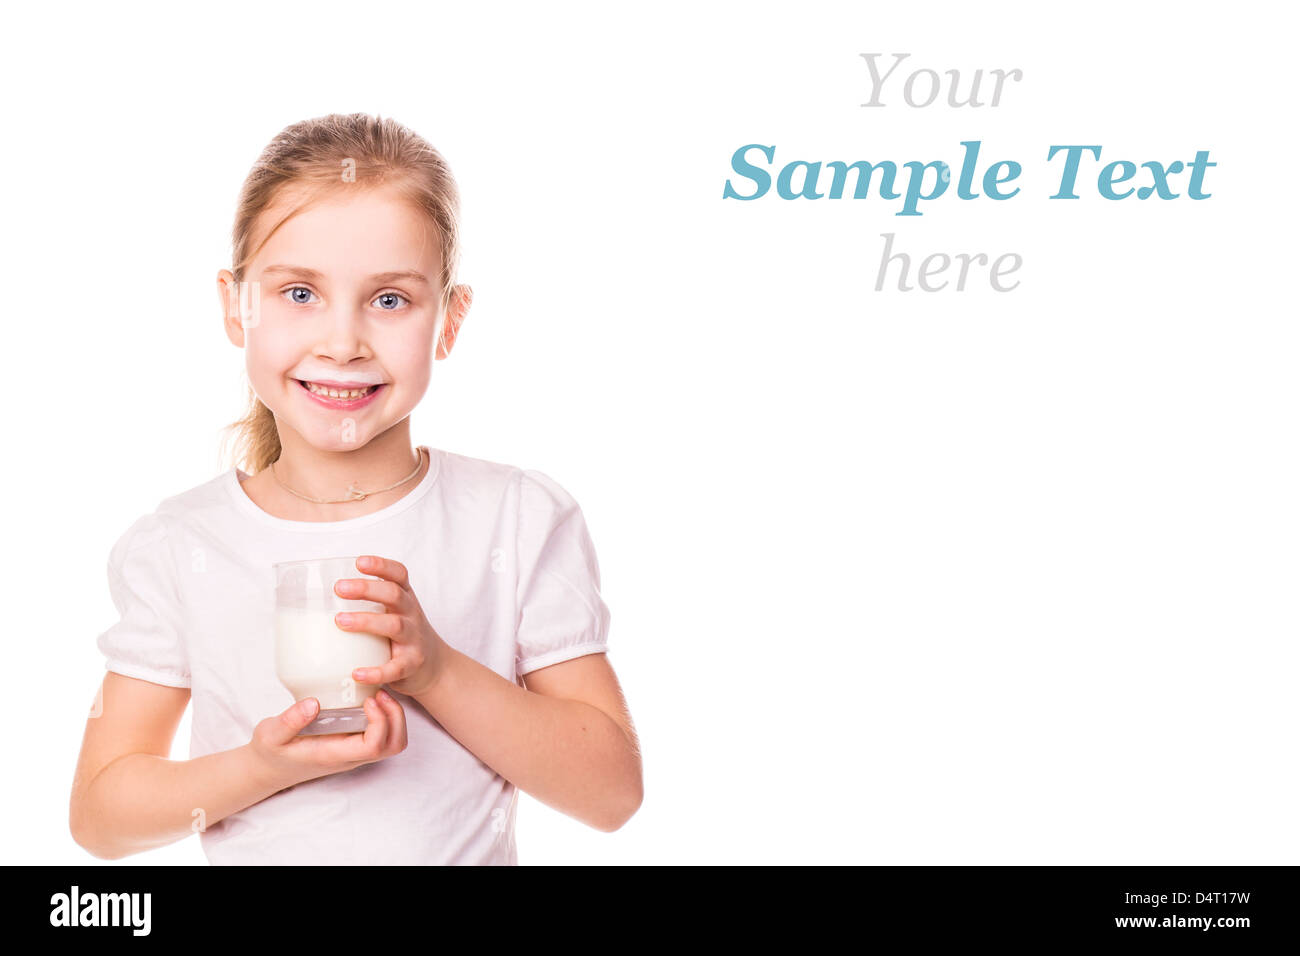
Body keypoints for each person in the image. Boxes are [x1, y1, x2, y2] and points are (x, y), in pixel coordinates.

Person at [69, 112, 642, 865]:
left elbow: (609, 793)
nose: (342, 342)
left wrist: (436, 670)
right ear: (235, 305)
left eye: (390, 300)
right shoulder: (183, 546)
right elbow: (101, 817)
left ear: (449, 319)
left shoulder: (513, 519)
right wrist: (260, 768)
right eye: (299, 294)